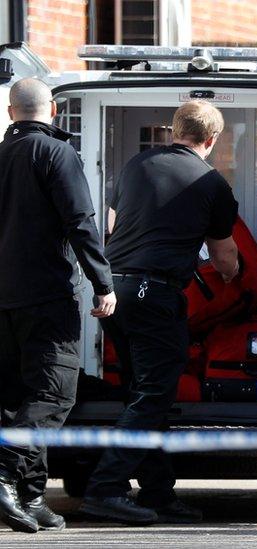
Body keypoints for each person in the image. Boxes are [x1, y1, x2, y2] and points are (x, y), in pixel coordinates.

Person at [79, 100, 240, 525]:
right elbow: (225, 258)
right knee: (153, 396)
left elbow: (113, 225)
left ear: (173, 131)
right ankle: (105, 488)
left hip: (114, 292)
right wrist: (233, 273)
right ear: (211, 140)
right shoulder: (211, 183)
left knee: (143, 394)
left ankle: (158, 493)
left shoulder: (136, 165)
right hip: (157, 294)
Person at [0, 78, 117, 533]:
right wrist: (102, 282)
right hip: (46, 296)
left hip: (4, 300)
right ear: (52, 110)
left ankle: (30, 499)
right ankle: (7, 474)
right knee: (53, 394)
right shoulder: (56, 154)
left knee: (16, 399)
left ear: (11, 113)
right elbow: (80, 221)